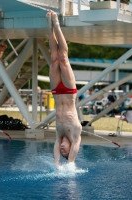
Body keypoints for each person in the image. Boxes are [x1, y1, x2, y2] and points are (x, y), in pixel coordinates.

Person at [46, 10, 82, 166]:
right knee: (63, 58)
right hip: (68, 91)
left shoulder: (59, 135)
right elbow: (74, 151)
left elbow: (56, 151)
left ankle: (49, 26)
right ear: (71, 148)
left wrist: (57, 163)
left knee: (54, 58)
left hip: (56, 91)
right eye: (65, 151)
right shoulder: (75, 132)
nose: (62, 148)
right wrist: (70, 162)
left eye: (62, 152)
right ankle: (57, 24)